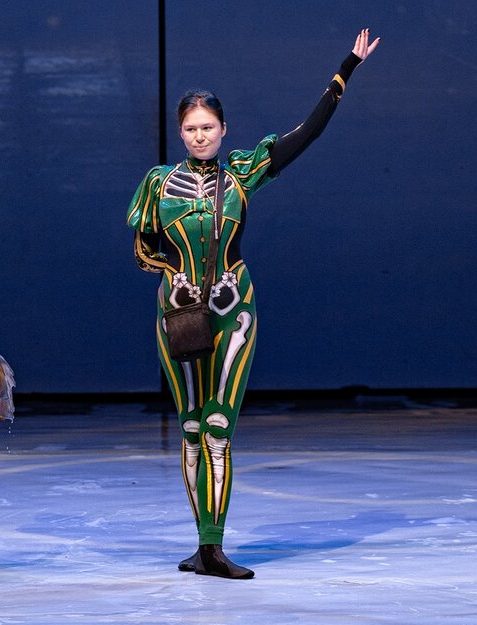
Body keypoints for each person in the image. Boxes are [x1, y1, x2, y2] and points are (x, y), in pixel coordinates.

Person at [127, 29, 379, 579]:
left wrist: (346, 69)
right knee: (191, 429)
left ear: (223, 129)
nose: (199, 135)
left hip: (234, 310)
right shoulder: (158, 184)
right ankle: (201, 546)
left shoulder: (242, 173)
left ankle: (213, 548)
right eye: (190, 128)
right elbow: (144, 249)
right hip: (178, 316)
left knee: (218, 425)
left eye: (208, 127)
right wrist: (173, 275)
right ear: (179, 132)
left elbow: (306, 133)